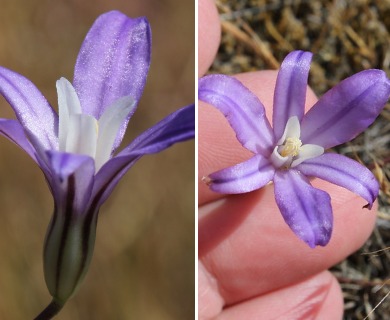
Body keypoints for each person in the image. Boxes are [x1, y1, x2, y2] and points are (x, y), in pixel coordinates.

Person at [198, 0, 377, 318]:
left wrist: (368, 190)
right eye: (286, 148)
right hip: (260, 167)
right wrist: (222, 178)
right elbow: (224, 92)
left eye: (289, 149)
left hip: (275, 174)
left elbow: (356, 190)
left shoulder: (322, 171)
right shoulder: (264, 155)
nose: (288, 148)